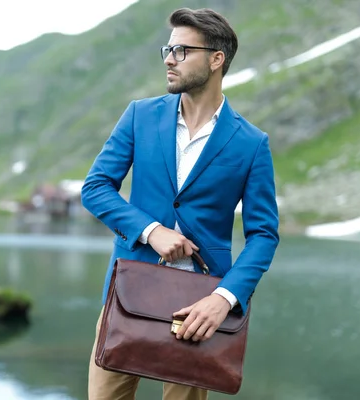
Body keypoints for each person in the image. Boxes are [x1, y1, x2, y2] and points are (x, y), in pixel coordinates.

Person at [81, 7, 280, 400]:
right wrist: (151, 230)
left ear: (216, 59)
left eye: (182, 51)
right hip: (127, 295)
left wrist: (224, 299)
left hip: (199, 310)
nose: (169, 59)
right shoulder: (139, 115)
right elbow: (96, 187)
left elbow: (263, 235)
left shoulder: (252, 143)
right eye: (168, 50)